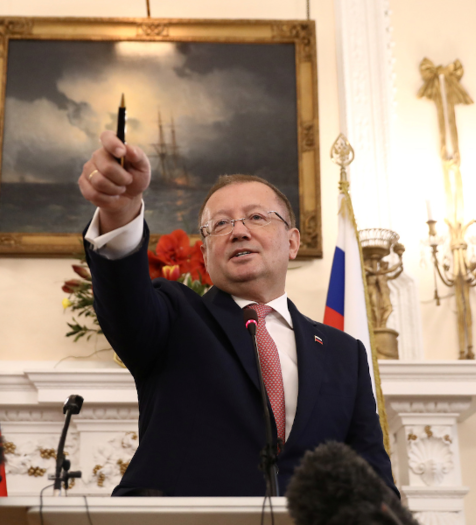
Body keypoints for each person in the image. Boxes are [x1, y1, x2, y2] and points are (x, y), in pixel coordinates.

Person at [78, 130, 397, 497]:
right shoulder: (174, 319)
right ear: (204, 255)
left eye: (256, 217)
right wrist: (120, 212)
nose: (239, 231)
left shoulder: (345, 353)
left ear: (292, 242)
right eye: (221, 224)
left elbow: (373, 478)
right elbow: (124, 300)